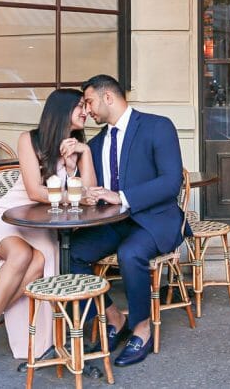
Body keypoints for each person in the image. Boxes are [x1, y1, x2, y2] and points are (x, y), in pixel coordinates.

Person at [0, 88, 97, 377]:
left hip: (42, 225)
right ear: (61, 111)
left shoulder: (79, 144)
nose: (85, 112)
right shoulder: (29, 140)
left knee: (41, 263)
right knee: (22, 256)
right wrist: (74, 194)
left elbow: (91, 191)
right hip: (10, 219)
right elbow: (35, 191)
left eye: (85, 106)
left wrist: (84, 154)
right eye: (79, 107)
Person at [71, 74, 184, 367]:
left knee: (130, 253)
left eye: (90, 101)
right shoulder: (94, 145)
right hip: (114, 223)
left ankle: (142, 328)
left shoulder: (158, 126)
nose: (87, 110)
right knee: (71, 254)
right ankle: (115, 318)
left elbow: (171, 182)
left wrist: (121, 196)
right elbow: (92, 189)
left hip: (156, 219)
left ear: (108, 97)